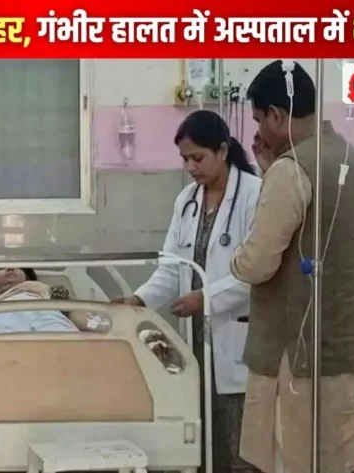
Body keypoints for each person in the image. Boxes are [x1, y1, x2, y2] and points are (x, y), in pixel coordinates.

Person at [232, 60, 354, 473]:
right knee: (340, 460)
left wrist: (237, 257)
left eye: (259, 120)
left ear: (277, 115)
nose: (259, 132)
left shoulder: (291, 169)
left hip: (293, 360)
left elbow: (256, 264)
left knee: (291, 460)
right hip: (344, 350)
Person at [112, 109, 262, 473]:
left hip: (238, 336)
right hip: (195, 339)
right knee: (204, 441)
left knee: (241, 444)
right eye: (185, 159)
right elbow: (171, 267)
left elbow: (256, 272)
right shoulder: (187, 201)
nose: (191, 167)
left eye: (198, 157)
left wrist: (205, 298)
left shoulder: (255, 194)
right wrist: (139, 299)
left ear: (222, 151)